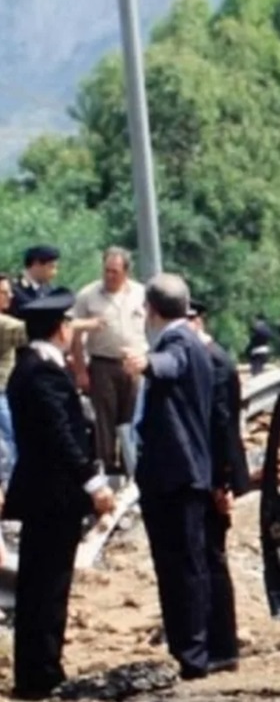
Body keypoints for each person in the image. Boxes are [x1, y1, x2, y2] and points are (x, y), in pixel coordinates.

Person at [4, 291, 115, 700]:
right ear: (60, 328)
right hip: (53, 495)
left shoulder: (30, 368)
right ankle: (41, 672)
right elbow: (61, 436)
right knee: (47, 587)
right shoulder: (41, 373)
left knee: (43, 584)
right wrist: (94, 483)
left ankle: (41, 666)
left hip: (44, 493)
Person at [121, 273, 215, 681]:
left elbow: (168, 366)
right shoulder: (190, 340)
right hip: (180, 474)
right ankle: (188, 648)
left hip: (175, 477)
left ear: (152, 311)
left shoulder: (178, 343)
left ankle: (192, 654)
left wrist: (145, 364)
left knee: (183, 567)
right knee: (181, 565)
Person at [186, 300, 249, 674]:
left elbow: (221, 428)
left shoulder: (213, 362)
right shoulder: (210, 358)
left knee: (211, 560)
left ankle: (221, 645)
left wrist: (221, 482)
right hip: (210, 474)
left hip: (213, 476)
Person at [69, 247, 148, 478]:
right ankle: (108, 468)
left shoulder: (140, 294)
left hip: (134, 362)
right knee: (104, 419)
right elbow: (74, 334)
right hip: (103, 364)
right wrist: (81, 370)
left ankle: (131, 465)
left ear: (126, 271)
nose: (110, 276)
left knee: (133, 416)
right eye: (106, 271)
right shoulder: (88, 295)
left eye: (115, 271)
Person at [0, 274, 27, 482]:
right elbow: (33, 331)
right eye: (3, 292)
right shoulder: (4, 324)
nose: (10, 296)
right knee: (8, 445)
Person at [9, 246, 60, 315]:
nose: (54, 273)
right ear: (36, 264)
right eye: (51, 267)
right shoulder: (12, 289)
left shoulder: (49, 290)